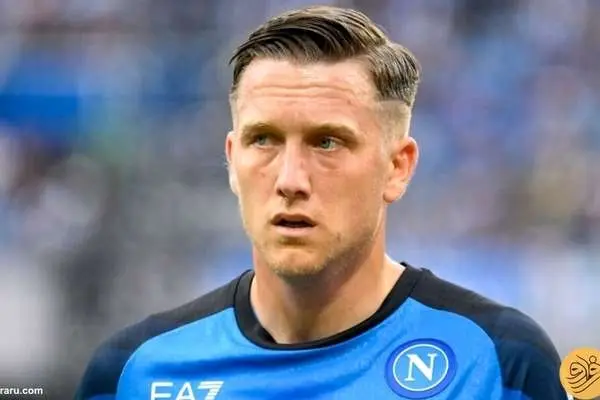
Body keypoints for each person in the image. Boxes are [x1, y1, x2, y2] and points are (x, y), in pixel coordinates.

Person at [75, 6, 568, 399]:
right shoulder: (134, 372)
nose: (290, 180)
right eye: (263, 140)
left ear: (397, 168)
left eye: (327, 143)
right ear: (231, 159)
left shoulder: (500, 363)